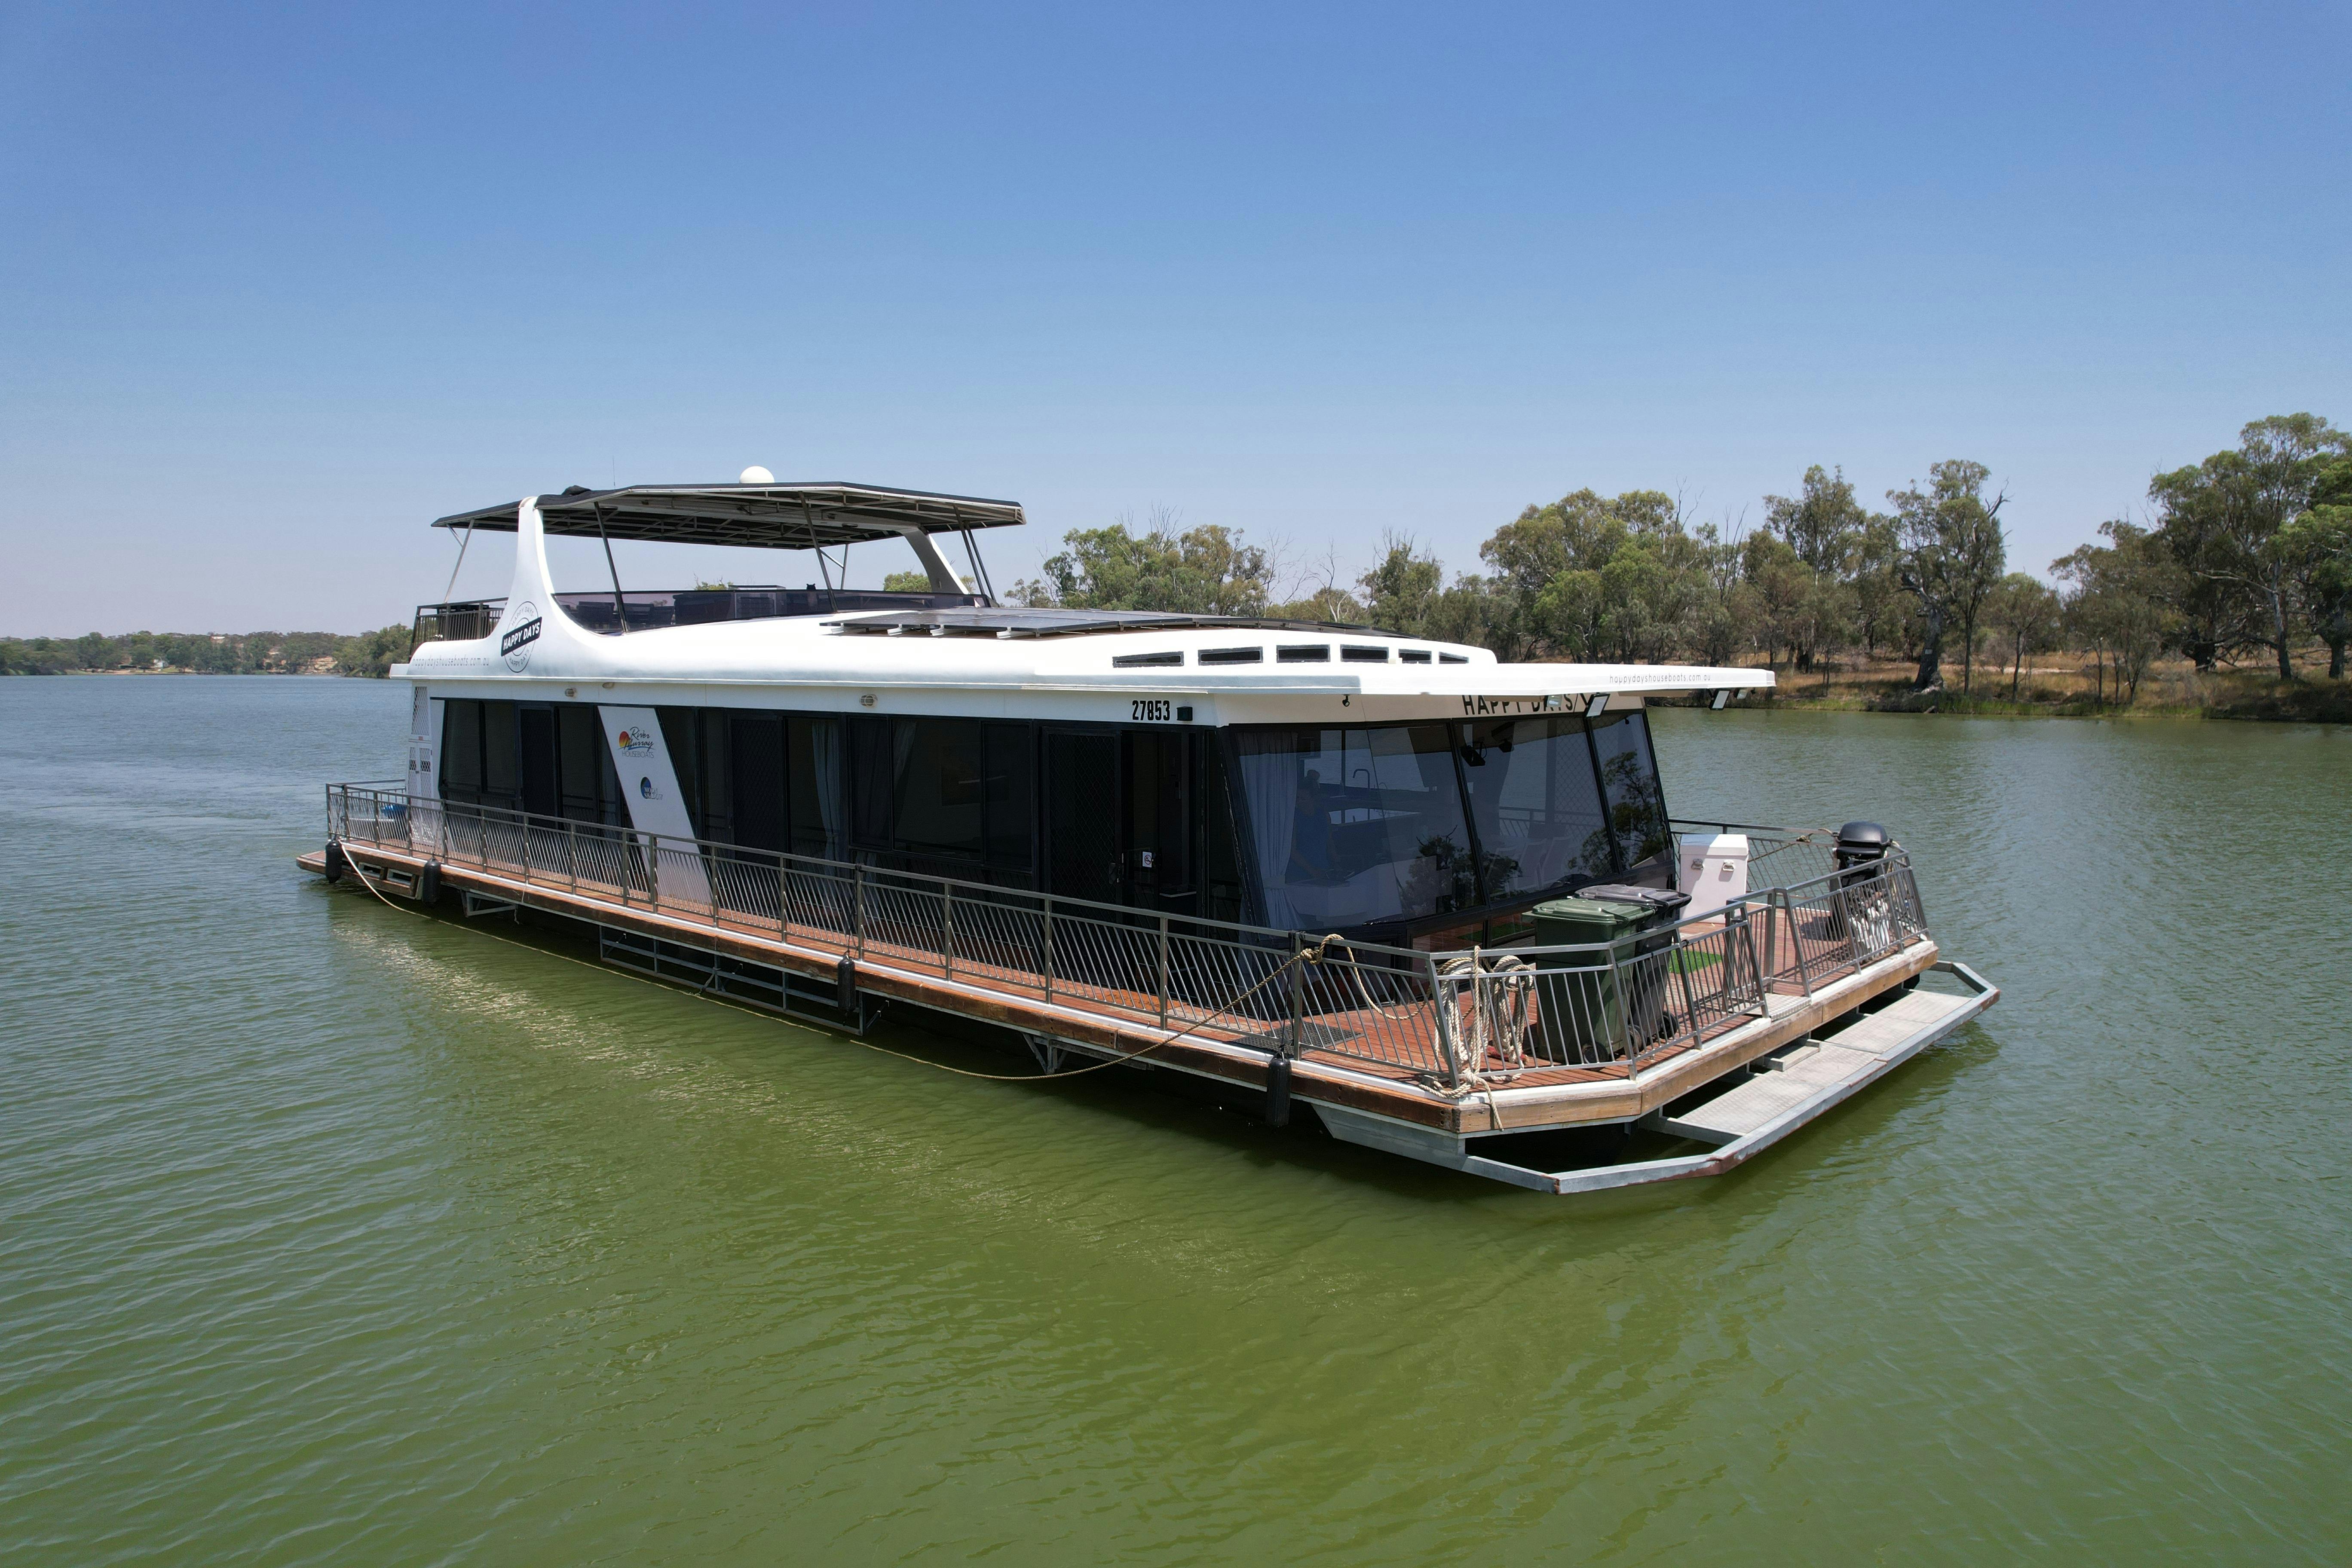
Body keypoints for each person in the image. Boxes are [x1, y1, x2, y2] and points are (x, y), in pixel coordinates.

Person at [1286, 769, 1333, 883]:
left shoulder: (1324, 815)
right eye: (1297, 798)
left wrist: (1336, 863)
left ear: (1313, 798)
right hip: (1299, 874)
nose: (1299, 802)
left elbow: (1330, 842)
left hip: (1323, 870)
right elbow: (1292, 851)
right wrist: (1313, 871)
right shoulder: (1293, 818)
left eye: (1303, 798)